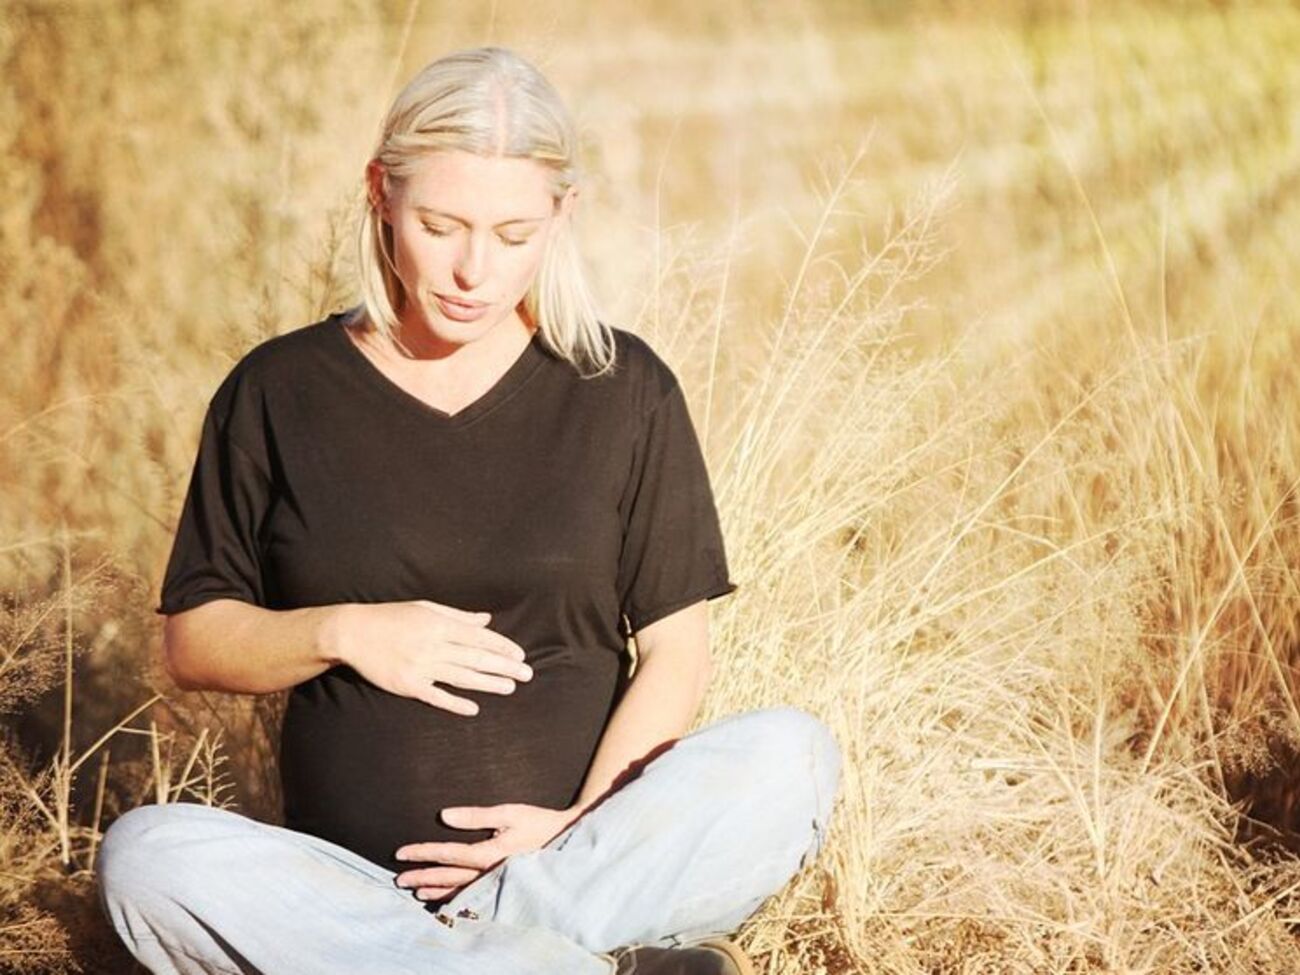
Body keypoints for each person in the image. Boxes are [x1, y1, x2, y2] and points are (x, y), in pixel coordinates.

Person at [95, 46, 843, 975]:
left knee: (794, 757)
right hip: (351, 889)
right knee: (146, 859)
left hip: (575, 861)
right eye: (441, 225)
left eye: (514, 232)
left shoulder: (623, 390)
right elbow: (194, 640)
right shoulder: (279, 390)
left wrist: (576, 827)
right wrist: (346, 630)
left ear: (563, 215)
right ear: (381, 193)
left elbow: (676, 653)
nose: (473, 270)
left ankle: (503, 943)